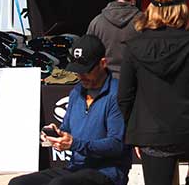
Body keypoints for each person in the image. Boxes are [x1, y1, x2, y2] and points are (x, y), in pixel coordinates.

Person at [118, 0, 189, 185]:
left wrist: (137, 132)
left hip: (152, 135)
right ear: (182, 9)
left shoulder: (134, 47)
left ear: (150, 9)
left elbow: (124, 97)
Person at [10, 34, 129, 185]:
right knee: (18, 183)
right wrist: (56, 135)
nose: (81, 75)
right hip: (76, 168)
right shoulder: (76, 93)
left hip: (107, 172)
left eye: (87, 70)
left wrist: (75, 144)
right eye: (78, 70)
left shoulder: (116, 94)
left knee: (60, 184)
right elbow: (67, 128)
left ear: (103, 63)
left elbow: (116, 145)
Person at [87, 0, 143, 76]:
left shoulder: (97, 22)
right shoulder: (144, 21)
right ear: (133, 0)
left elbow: (88, 52)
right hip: (135, 79)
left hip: (105, 79)